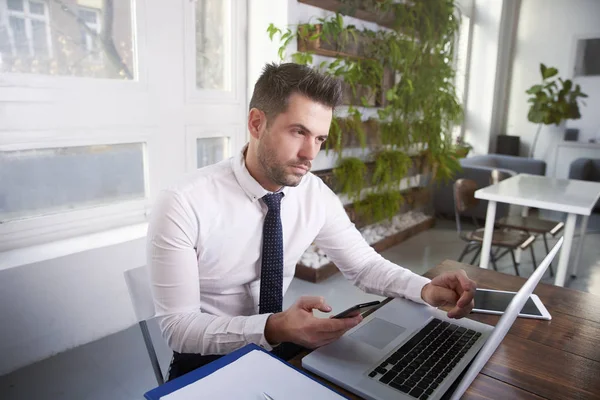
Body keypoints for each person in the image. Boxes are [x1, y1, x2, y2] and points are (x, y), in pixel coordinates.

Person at [147, 63, 476, 381]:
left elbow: (363, 266)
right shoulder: (183, 202)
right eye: (298, 132)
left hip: (277, 345)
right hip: (204, 363)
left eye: (319, 138)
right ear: (256, 123)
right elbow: (179, 329)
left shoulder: (313, 193)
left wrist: (424, 289)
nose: (310, 153)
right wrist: (275, 327)